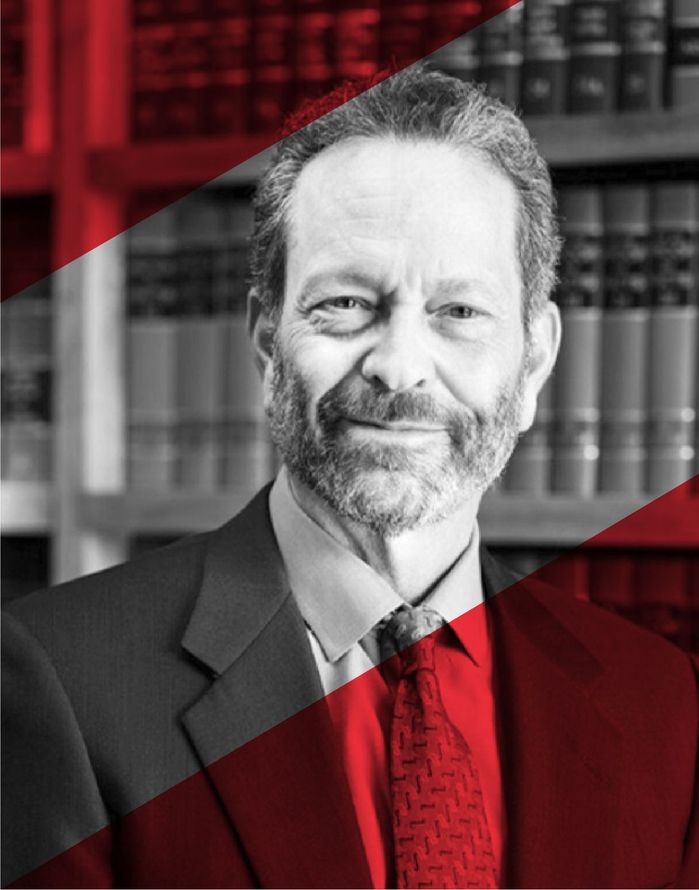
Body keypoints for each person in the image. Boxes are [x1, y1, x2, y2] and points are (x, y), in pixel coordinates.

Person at [3, 65, 698, 889]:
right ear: (267, 340)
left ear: (536, 357)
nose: (400, 368)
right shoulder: (59, 680)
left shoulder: (656, 697)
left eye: (458, 312)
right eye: (344, 303)